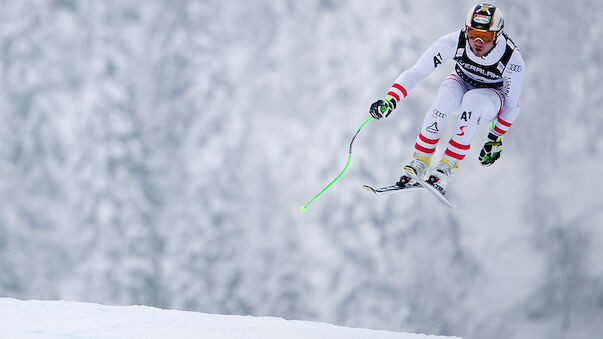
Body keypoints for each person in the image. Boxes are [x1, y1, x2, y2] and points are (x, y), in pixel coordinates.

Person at [369, 3, 525, 195]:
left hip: (491, 98)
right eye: (472, 33)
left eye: (485, 36)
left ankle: (446, 168)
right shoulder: (454, 42)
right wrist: (391, 99)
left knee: (473, 100)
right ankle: (420, 161)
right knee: (446, 93)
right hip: (462, 82)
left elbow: (512, 103)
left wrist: (495, 137)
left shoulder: (511, 59)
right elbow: (417, 71)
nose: (477, 41)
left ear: (497, 36)